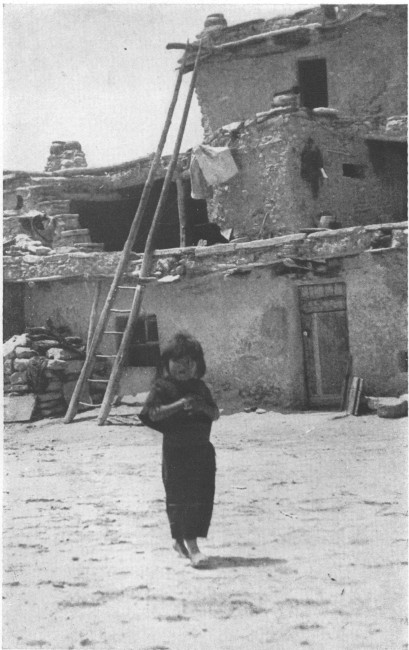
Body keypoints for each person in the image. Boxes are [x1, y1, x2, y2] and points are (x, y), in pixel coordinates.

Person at [139, 332, 220, 568]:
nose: (182, 367)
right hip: (176, 453)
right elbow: (152, 413)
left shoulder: (200, 388)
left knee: (201, 498)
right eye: (177, 361)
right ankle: (193, 548)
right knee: (180, 498)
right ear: (166, 363)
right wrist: (179, 405)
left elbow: (215, 414)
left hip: (202, 452)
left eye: (188, 361)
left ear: (197, 364)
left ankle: (179, 540)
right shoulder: (162, 387)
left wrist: (200, 405)